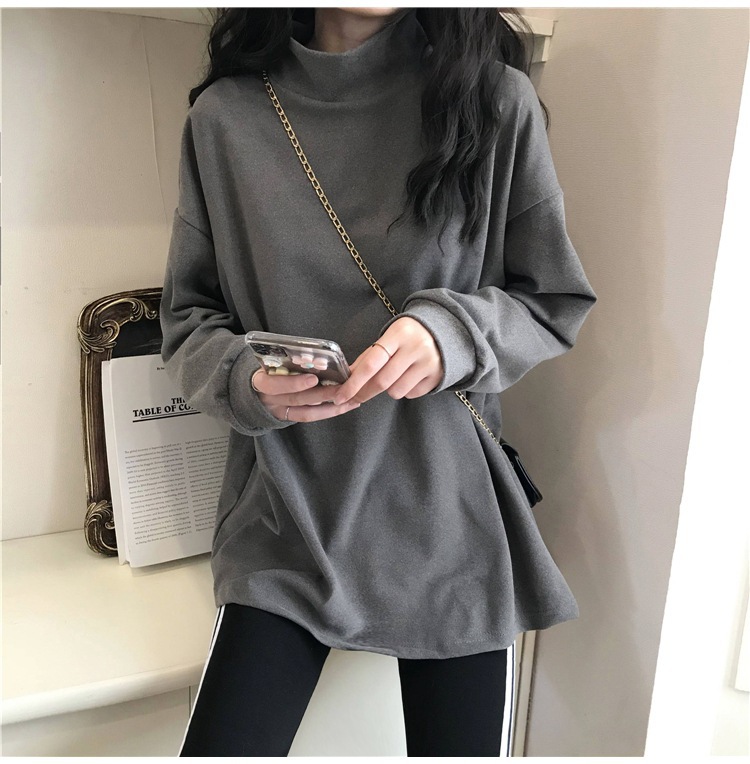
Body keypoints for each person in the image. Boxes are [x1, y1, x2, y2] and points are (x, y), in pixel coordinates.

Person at [159, 6, 598, 757]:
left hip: (447, 518)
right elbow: (187, 320)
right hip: (288, 516)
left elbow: (552, 301)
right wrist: (246, 379)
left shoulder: (492, 101)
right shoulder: (225, 120)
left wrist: (452, 334)